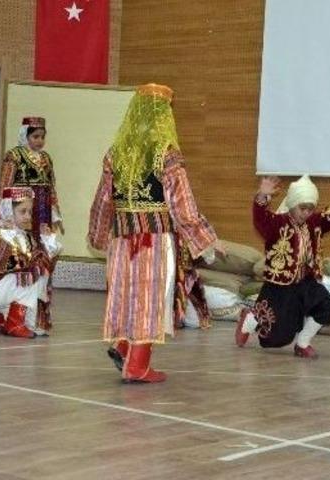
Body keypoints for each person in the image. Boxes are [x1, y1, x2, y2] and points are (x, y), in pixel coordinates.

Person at [88, 83, 220, 383]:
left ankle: (123, 347)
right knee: (150, 298)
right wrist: (207, 240)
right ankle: (138, 365)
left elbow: (102, 201)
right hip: (155, 241)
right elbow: (183, 207)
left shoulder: (115, 154)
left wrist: (98, 236)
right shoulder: (166, 155)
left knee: (126, 294)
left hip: (123, 241)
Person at [234, 175, 330, 358]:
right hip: (279, 287)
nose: (306, 213)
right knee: (278, 338)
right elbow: (260, 220)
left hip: (305, 282)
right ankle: (249, 320)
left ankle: (303, 344)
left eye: (310, 209)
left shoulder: (314, 223)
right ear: (292, 204)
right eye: (302, 208)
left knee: (325, 307)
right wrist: (262, 197)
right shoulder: (276, 224)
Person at [0, 187, 61, 338]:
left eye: (30, 211)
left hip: (8, 289)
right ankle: (13, 322)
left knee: (41, 272)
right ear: (9, 211)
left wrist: (48, 240)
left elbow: (47, 263)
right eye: (23, 211)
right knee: (29, 275)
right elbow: (6, 265)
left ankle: (19, 319)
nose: (28, 216)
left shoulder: (25, 236)